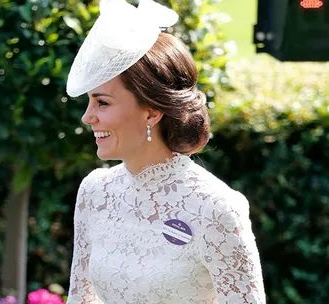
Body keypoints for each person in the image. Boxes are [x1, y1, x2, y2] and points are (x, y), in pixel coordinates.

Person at [65, 0, 266, 303]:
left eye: (102, 102)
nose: (87, 117)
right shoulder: (94, 193)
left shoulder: (216, 208)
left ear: (152, 112)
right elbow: (81, 298)